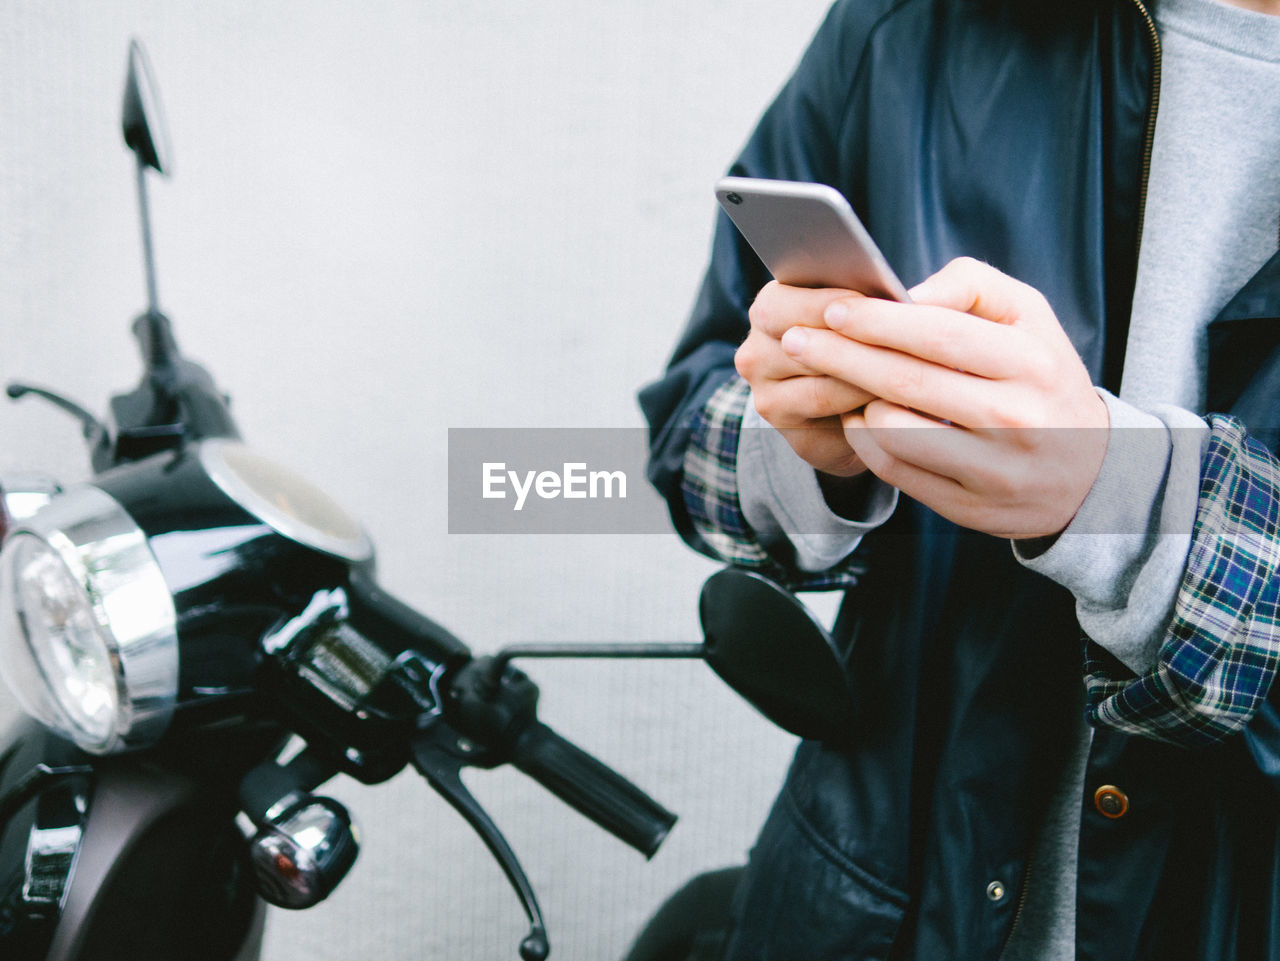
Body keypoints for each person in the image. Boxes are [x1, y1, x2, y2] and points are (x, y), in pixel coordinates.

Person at [640, 0, 1280, 958]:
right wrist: (813, 451)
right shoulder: (906, 28)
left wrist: (1114, 497)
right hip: (877, 907)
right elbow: (688, 436)